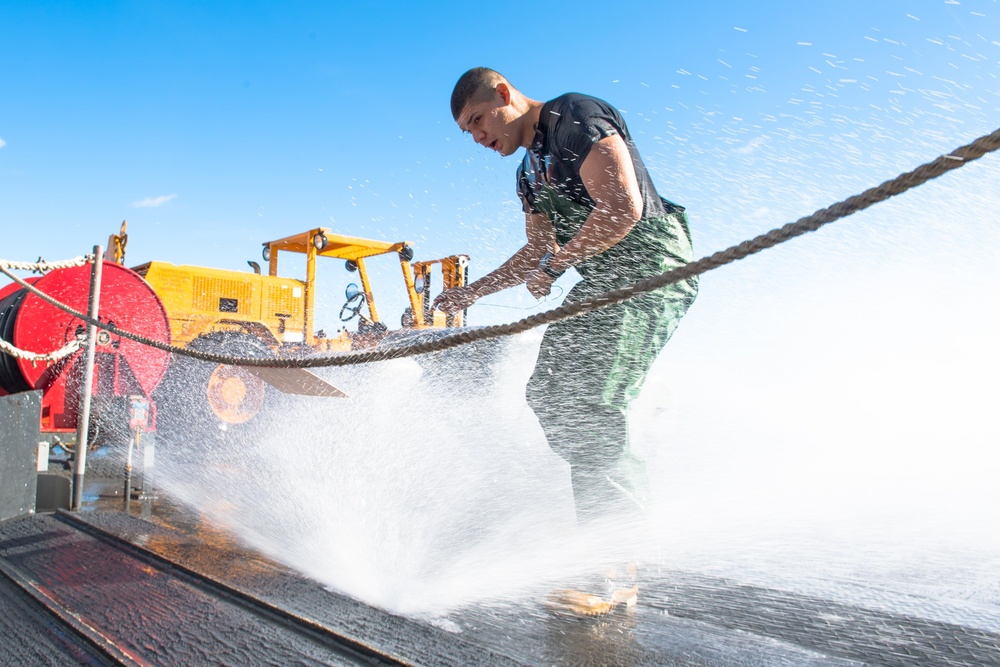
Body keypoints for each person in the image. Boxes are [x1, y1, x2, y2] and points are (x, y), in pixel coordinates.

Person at [434, 67, 698, 613]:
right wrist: (473, 293)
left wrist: (559, 263)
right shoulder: (528, 173)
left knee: (591, 405)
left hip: (652, 269)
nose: (479, 137)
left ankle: (618, 565)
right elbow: (536, 251)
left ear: (504, 93)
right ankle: (613, 521)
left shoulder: (572, 116)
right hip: (606, 282)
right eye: (468, 132)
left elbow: (622, 208)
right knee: (553, 394)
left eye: (479, 120)